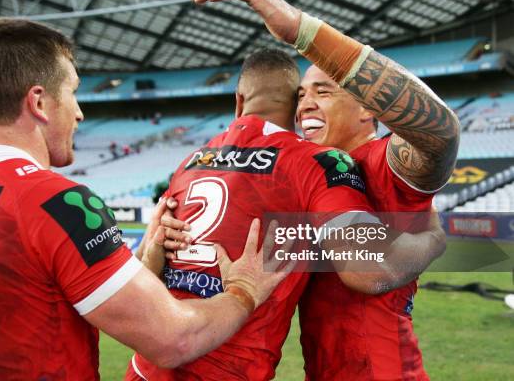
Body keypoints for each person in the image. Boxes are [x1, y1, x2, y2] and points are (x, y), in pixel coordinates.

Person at [0, 18, 290, 380]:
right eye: (72, 92)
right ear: (38, 103)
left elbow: (31, 309)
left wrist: (143, 263)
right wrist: (244, 290)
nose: (80, 112)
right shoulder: (54, 202)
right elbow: (175, 340)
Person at [191, 0, 460, 380]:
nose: (305, 107)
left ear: (370, 109)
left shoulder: (385, 162)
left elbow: (440, 131)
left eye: (324, 91)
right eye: (301, 95)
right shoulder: (308, 174)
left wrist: (301, 29)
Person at [126, 48, 445, 381]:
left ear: (238, 101)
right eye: (304, 94)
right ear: (294, 109)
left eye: (322, 92)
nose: (310, 102)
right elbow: (367, 268)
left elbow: (145, 266)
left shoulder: (190, 163)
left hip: (148, 365)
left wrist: (149, 261)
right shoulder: (312, 163)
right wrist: (434, 240)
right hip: (232, 368)